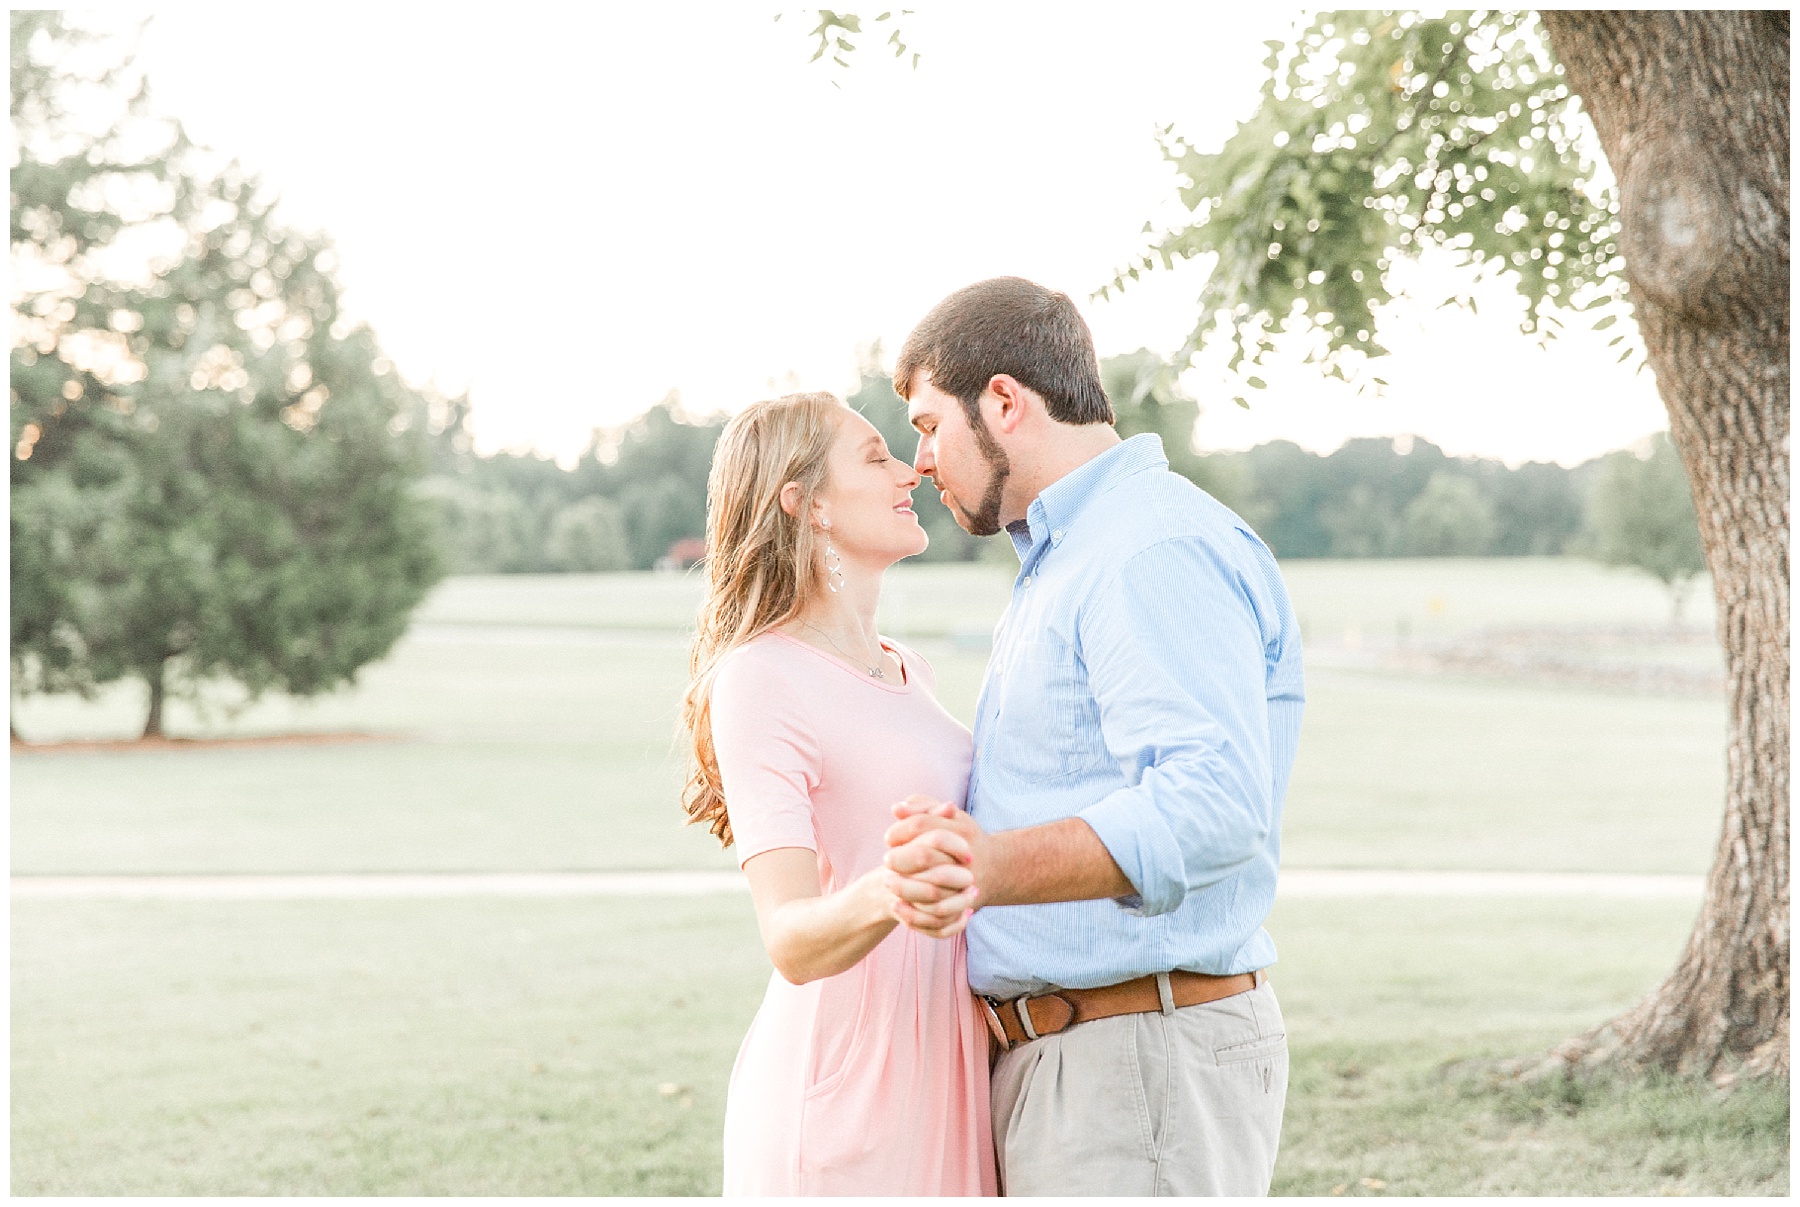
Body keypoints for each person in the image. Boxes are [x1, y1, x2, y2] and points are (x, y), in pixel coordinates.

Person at [880, 277, 1305, 1196]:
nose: (920, 461)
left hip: (1135, 1061)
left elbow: (1214, 805)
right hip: (1090, 1062)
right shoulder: (1073, 555)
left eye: (928, 424)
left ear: (1003, 401)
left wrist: (989, 866)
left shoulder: (1147, 546)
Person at [679, 391, 997, 1196]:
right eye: (875, 457)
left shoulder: (910, 668)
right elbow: (788, 935)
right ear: (808, 502)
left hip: (948, 1066)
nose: (910, 472)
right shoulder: (761, 676)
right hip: (845, 1085)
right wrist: (894, 887)